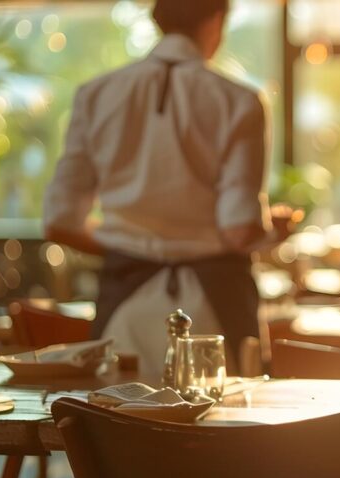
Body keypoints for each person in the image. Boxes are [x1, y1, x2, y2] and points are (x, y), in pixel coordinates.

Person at [43, 0, 285, 376]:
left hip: (124, 313)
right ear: (216, 21)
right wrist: (271, 230)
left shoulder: (95, 95)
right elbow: (239, 230)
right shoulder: (240, 101)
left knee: (118, 424)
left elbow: (60, 222)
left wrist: (131, 241)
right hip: (212, 317)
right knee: (224, 429)